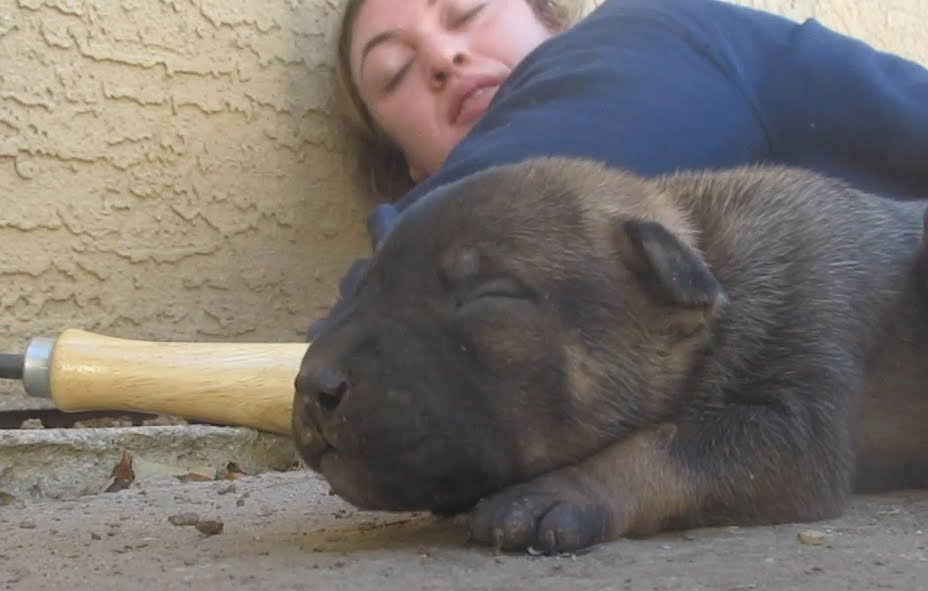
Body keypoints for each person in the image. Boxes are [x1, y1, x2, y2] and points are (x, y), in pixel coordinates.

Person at [310, 0, 928, 338]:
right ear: (415, 166)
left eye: (468, 11)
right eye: (395, 73)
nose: (444, 56)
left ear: (549, 20)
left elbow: (380, 317)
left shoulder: (647, 31)